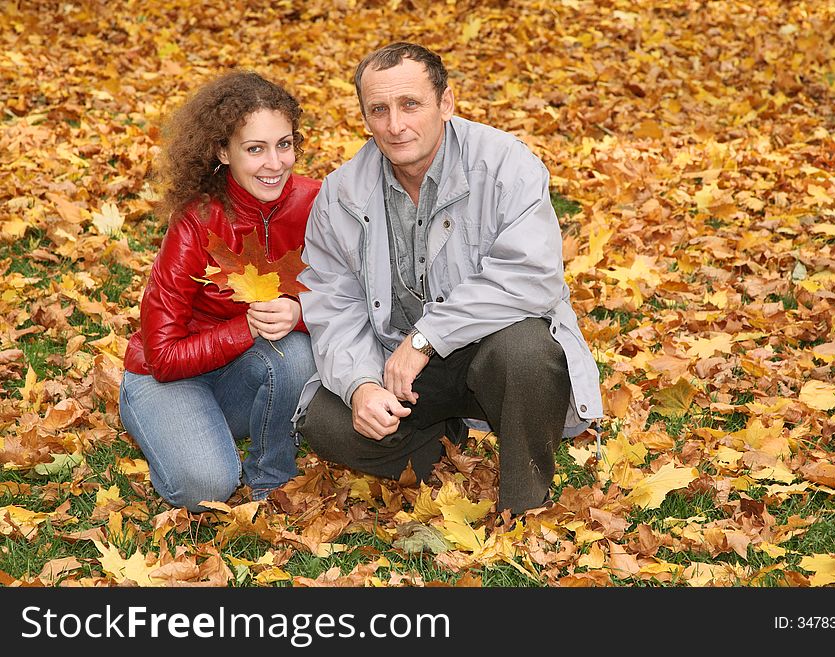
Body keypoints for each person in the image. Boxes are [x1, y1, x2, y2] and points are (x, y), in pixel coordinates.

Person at [293, 42, 603, 515]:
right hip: (400, 368)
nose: (395, 125)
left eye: (410, 104)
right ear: (364, 117)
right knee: (324, 420)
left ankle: (525, 504)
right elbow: (334, 306)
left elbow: (532, 276)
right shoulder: (341, 195)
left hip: (490, 349)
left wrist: (426, 339)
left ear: (446, 103)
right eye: (379, 109)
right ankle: (437, 437)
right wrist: (361, 386)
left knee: (528, 352)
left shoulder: (505, 164)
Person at [119, 70, 321, 512]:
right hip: (167, 378)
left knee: (298, 350)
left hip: (243, 375)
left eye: (284, 144)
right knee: (207, 487)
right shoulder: (197, 220)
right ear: (222, 151)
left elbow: (354, 296)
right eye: (255, 149)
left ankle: (271, 478)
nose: (275, 163)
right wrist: (245, 328)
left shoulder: (317, 204)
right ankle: (167, 430)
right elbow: (163, 357)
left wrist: (300, 313)